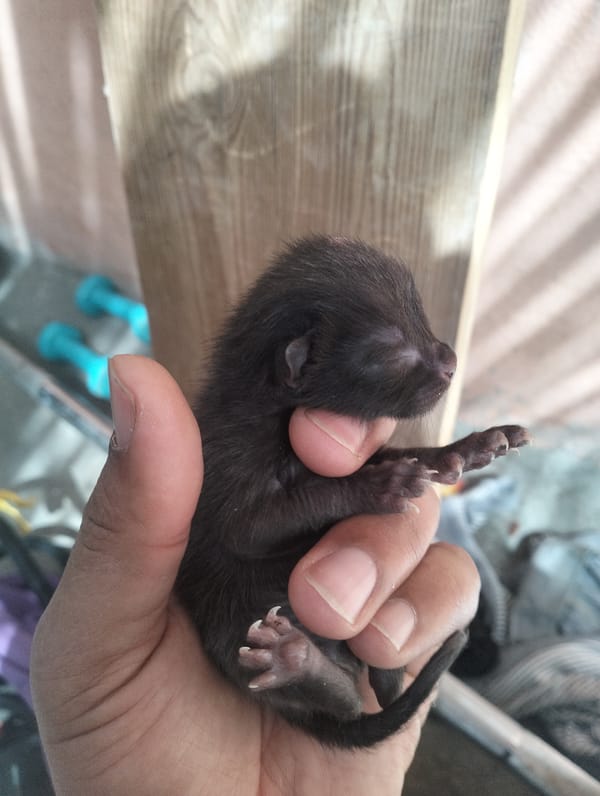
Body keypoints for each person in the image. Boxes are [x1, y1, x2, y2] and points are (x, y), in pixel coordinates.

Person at [31, 355, 480, 795]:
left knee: (362, 667)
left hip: (297, 648)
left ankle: (373, 663)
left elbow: (350, 486)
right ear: (298, 359)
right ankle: (342, 663)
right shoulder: (235, 446)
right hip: (253, 640)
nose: (441, 361)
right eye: (389, 348)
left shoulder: (281, 429)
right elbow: (253, 527)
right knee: (342, 678)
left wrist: (437, 460)